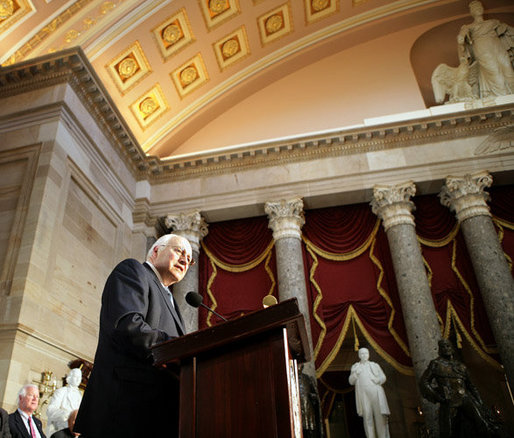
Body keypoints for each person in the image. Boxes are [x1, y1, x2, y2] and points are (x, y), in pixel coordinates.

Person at [74, 234, 194, 438]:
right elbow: (128, 327)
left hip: (157, 414)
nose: (185, 260)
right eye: (179, 251)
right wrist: (177, 347)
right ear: (156, 251)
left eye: (189, 259)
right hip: (125, 410)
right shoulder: (133, 270)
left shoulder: (171, 301)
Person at [420, 339, 498, 438]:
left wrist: (480, 403)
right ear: (440, 349)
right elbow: (424, 382)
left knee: (482, 423)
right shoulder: (436, 364)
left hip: (465, 397)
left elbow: (471, 386)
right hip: (449, 400)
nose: (446, 349)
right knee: (449, 431)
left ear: (452, 348)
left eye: (448, 346)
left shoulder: (461, 366)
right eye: (443, 347)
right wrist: (437, 396)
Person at [458, 1, 514, 99]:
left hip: (497, 47)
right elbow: (462, 36)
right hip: (483, 49)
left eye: (479, 6)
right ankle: (501, 97)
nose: (478, 8)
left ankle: (511, 93)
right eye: (475, 7)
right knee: (493, 70)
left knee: (507, 68)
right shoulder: (468, 27)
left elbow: (508, 30)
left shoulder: (493, 22)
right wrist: (461, 37)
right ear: (471, 12)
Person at [348, 348, 390, 438]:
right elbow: (351, 381)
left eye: (366, 353)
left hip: (375, 393)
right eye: (362, 354)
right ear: (359, 355)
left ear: (369, 354)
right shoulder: (356, 367)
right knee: (367, 418)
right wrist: (356, 374)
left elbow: (383, 377)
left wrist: (378, 379)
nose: (364, 355)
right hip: (364, 394)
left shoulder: (374, 365)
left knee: (380, 418)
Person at [46, 369, 82, 436]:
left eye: (79, 377)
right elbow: (50, 410)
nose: (77, 379)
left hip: (74, 432)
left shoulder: (80, 396)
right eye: (75, 377)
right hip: (61, 429)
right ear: (70, 377)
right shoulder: (61, 391)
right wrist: (69, 415)